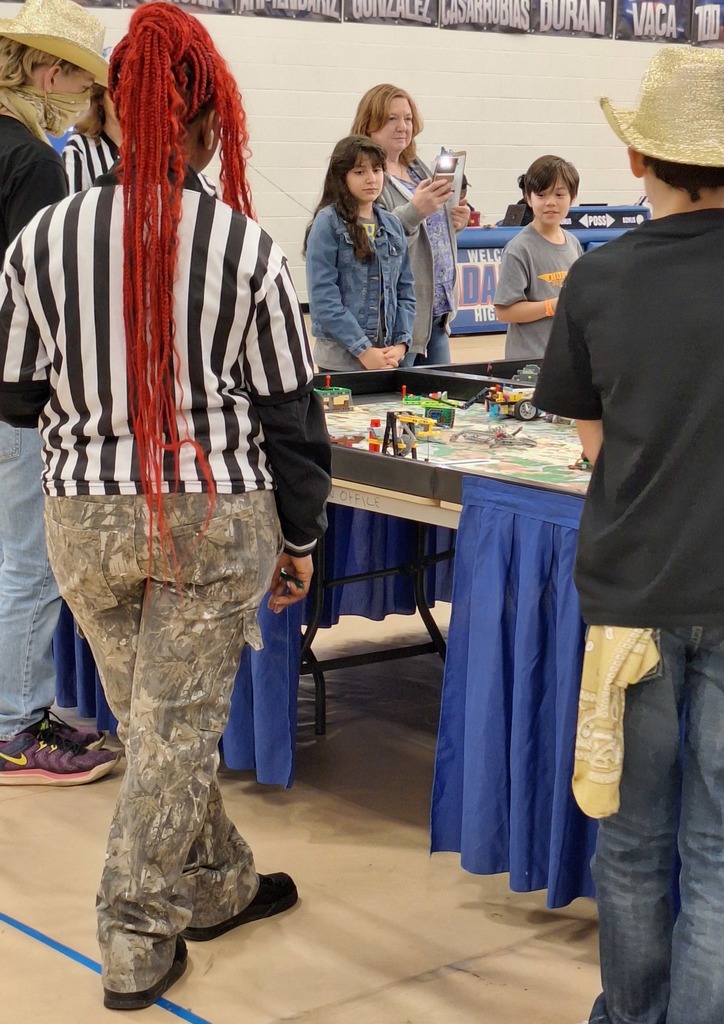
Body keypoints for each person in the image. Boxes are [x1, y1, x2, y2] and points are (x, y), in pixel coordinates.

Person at [0, 3, 332, 1009]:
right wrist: (303, 533)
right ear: (204, 125)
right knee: (173, 731)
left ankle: (221, 881)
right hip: (208, 513)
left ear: (106, 112)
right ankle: (137, 929)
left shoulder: (43, 239)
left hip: (82, 517)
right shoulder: (242, 246)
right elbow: (289, 410)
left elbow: (15, 393)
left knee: (160, 727)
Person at [533, 46, 724, 1024]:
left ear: (631, 160)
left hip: (632, 597)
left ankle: (630, 1013)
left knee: (631, 839)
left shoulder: (595, 279)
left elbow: (592, 445)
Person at [0, 0, 117, 784]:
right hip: (16, 387)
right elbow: (43, 292)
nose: (84, 99)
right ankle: (15, 726)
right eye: (80, 80)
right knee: (27, 562)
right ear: (48, 72)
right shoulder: (33, 162)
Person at [351, 84, 470, 365]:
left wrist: (453, 224)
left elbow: (429, 228)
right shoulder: (365, 179)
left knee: (443, 403)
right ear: (369, 123)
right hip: (397, 322)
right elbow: (372, 244)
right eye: (391, 119)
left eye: (407, 118)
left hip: (437, 315)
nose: (402, 126)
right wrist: (415, 211)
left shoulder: (417, 167)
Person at [305, 135, 415, 371]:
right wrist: (363, 350)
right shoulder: (327, 223)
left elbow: (405, 292)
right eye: (359, 172)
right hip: (341, 363)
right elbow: (324, 300)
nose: (371, 179)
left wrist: (401, 345)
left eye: (376, 170)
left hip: (388, 359)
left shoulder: (392, 224)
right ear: (341, 176)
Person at [493, 154, 583, 360]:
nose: (550, 203)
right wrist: (552, 306)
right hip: (529, 364)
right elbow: (504, 312)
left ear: (573, 197)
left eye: (559, 195)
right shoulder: (519, 249)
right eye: (541, 195)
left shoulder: (573, 244)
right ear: (528, 198)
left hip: (565, 361)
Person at [62, 79, 120, 192]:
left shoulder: (156, 148)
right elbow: (74, 206)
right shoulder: (79, 147)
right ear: (101, 97)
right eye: (116, 91)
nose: (125, 100)